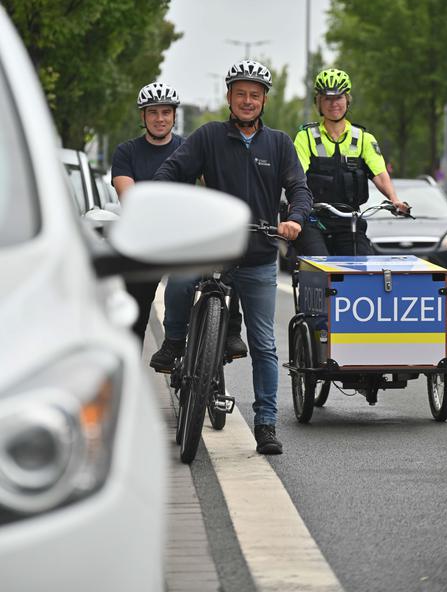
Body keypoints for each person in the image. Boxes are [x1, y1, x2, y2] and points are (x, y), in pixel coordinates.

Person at [151, 60, 312, 455]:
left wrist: (293, 219)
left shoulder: (279, 143)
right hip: (213, 246)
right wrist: (158, 199)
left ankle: (266, 424)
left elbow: (300, 189)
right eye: (240, 93)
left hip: (258, 254)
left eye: (255, 95)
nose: (247, 100)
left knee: (264, 344)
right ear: (229, 97)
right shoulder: (208, 137)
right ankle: (174, 342)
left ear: (264, 101)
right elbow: (172, 170)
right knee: (182, 279)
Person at [111, 80, 248, 353]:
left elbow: (214, 189)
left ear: (174, 115)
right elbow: (130, 198)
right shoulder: (126, 152)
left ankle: (222, 340)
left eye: (165, 112)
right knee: (133, 321)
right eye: (153, 112)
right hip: (145, 241)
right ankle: (131, 380)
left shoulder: (191, 147)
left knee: (224, 273)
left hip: (186, 240)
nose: (160, 119)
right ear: (143, 116)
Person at [293, 67, 410, 256]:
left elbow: (380, 174)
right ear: (319, 103)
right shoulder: (305, 137)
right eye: (327, 99)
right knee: (319, 266)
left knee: (365, 270)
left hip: (349, 220)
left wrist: (395, 200)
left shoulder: (364, 138)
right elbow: (297, 175)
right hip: (314, 220)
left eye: (338, 98)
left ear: (347, 100)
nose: (333, 104)